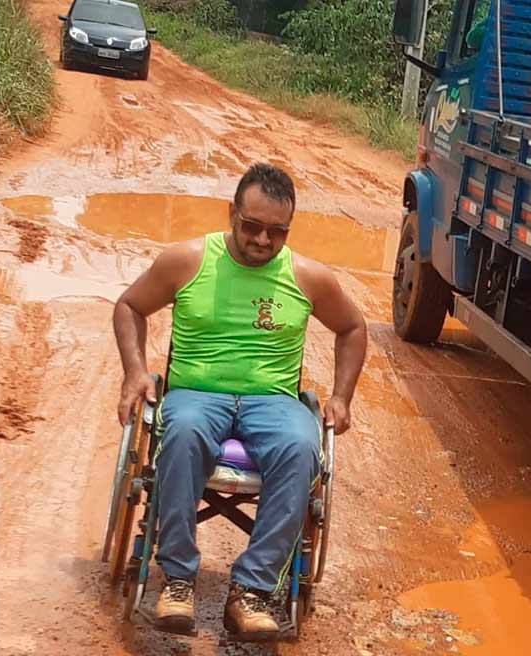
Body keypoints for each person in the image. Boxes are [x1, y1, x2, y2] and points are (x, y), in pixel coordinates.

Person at [112, 163, 367, 640]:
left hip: (272, 401)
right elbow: (129, 306)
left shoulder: (309, 277)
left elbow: (353, 328)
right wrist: (134, 373)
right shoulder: (187, 260)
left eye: (277, 232)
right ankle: (179, 579)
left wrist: (341, 397)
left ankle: (252, 590)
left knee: (300, 444)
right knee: (181, 431)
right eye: (252, 227)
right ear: (232, 214)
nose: (263, 241)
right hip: (197, 394)